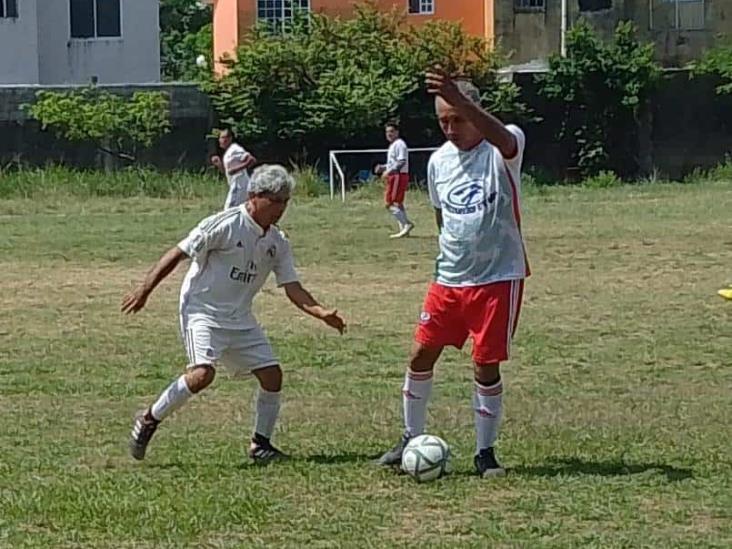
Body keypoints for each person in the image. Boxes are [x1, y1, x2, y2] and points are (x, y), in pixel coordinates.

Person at [123, 165, 346, 463]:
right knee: (202, 375)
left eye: (286, 201)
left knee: (272, 376)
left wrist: (321, 312)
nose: (281, 207)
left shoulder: (277, 242)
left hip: (239, 317)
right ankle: (150, 418)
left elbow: (292, 286)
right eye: (276, 200)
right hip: (201, 310)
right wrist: (145, 289)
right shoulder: (225, 224)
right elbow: (178, 252)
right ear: (254, 196)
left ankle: (260, 445)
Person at [377, 67, 529, 477]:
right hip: (448, 279)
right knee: (421, 353)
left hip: (497, 278)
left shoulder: (502, 147)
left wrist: (463, 101)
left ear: (475, 111)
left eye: (457, 118)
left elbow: (505, 139)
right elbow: (443, 220)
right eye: (442, 119)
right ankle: (410, 437)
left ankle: (485, 453)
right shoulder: (439, 162)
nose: (449, 128)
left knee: (485, 364)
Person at [374, 123, 415, 238]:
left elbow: (401, 161)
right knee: (398, 202)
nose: (389, 134)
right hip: (396, 175)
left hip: (398, 175)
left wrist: (389, 171)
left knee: (389, 203)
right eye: (387, 132)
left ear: (397, 132)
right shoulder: (392, 146)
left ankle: (406, 224)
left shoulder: (400, 144)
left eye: (391, 131)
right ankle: (403, 229)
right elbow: (393, 162)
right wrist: (383, 167)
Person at [210, 129, 257, 209]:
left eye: (223, 138)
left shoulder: (235, 149)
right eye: (220, 138)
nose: (220, 140)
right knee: (242, 211)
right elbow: (228, 172)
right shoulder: (228, 153)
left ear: (230, 139)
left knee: (228, 210)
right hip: (235, 185)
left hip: (240, 185)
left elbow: (252, 159)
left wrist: (236, 169)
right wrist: (219, 164)